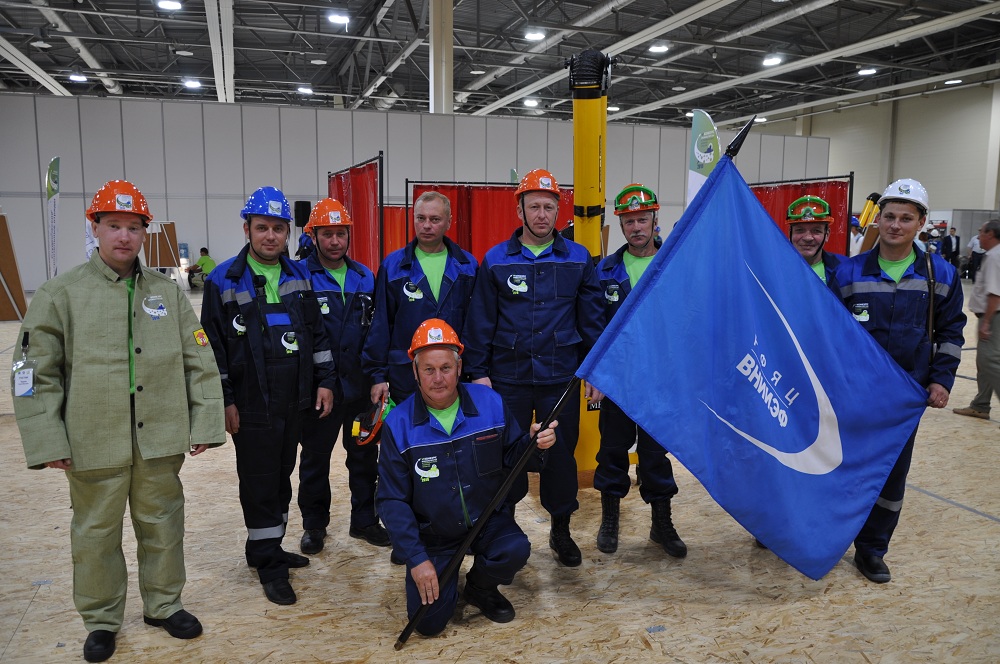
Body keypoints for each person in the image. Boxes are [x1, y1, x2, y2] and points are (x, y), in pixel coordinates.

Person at [12, 180, 226, 663]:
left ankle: (164, 605)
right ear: (95, 228)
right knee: (95, 535)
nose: (124, 237)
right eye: (114, 226)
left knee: (163, 526)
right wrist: (47, 436)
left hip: (159, 440)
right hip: (93, 441)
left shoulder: (167, 295)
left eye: (134, 228)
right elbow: (31, 371)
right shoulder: (61, 294)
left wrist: (206, 421)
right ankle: (102, 620)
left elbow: (199, 359)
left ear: (145, 233)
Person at [376, 319, 558, 636]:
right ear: (415, 371)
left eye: (446, 367)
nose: (438, 378)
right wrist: (417, 559)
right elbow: (391, 500)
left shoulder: (490, 404)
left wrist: (535, 445)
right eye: (428, 369)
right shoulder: (398, 424)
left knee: (514, 549)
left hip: (485, 519)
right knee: (429, 624)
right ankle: (441, 570)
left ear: (459, 368)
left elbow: (514, 457)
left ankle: (479, 588)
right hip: (434, 532)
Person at [201, 186, 336, 606]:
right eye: (263, 228)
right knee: (259, 483)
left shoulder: (298, 276)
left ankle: (267, 548)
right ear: (248, 229)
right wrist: (225, 399)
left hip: (295, 400)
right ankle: (270, 567)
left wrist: (326, 380)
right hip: (252, 402)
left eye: (279, 228)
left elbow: (317, 335)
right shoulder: (222, 279)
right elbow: (213, 349)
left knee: (281, 478)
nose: (271, 236)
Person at [463, 168, 605, 568]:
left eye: (549, 206)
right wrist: (478, 372)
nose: (542, 214)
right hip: (506, 378)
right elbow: (481, 321)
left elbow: (591, 321)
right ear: (520, 209)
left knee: (560, 455)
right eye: (534, 206)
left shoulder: (578, 259)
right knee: (506, 454)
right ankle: (504, 528)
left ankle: (561, 530)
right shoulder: (495, 261)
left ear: (559, 210)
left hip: (559, 378)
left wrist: (595, 369)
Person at [834, 178, 965, 584]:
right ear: (879, 220)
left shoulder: (940, 274)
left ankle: (872, 551)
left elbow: (951, 332)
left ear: (921, 223)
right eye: (889, 216)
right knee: (841, 467)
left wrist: (941, 380)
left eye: (906, 218)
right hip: (851, 396)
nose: (895, 225)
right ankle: (829, 536)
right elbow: (829, 334)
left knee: (891, 477)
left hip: (904, 398)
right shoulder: (847, 272)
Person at [593, 184, 685, 558]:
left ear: (654, 220)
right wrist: (596, 374)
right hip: (617, 382)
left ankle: (661, 523)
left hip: (661, 381)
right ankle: (609, 519)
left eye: (642, 219)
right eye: (628, 221)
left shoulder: (675, 264)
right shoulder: (605, 271)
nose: (636, 227)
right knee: (612, 451)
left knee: (654, 455)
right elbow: (594, 327)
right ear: (621, 224)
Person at [296, 198, 389, 555]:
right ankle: (314, 526)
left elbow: (377, 330)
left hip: (361, 389)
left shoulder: (365, 276)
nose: (335, 241)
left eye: (340, 234)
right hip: (321, 391)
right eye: (327, 234)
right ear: (314, 236)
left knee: (364, 458)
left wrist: (377, 377)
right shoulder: (300, 275)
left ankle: (364, 521)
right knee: (315, 459)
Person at [362, 191, 478, 407]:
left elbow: (477, 325)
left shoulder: (468, 266)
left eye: (435, 219)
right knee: (409, 435)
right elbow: (380, 324)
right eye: (421, 218)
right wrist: (377, 376)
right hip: (405, 374)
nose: (426, 225)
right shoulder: (393, 266)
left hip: (453, 374)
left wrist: (477, 370)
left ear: (449, 222)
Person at [953, 219, 1000, 422]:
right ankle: (980, 405)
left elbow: (995, 294)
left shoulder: (995, 257)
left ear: (990, 234)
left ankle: (981, 404)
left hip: (994, 317)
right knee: (985, 362)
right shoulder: (993, 255)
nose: (979, 236)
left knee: (988, 361)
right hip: (992, 316)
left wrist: (987, 322)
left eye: (981, 232)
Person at [786, 195, 841, 285]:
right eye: (800, 230)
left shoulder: (843, 269)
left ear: (827, 234)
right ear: (790, 233)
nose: (808, 238)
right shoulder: (773, 268)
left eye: (816, 231)